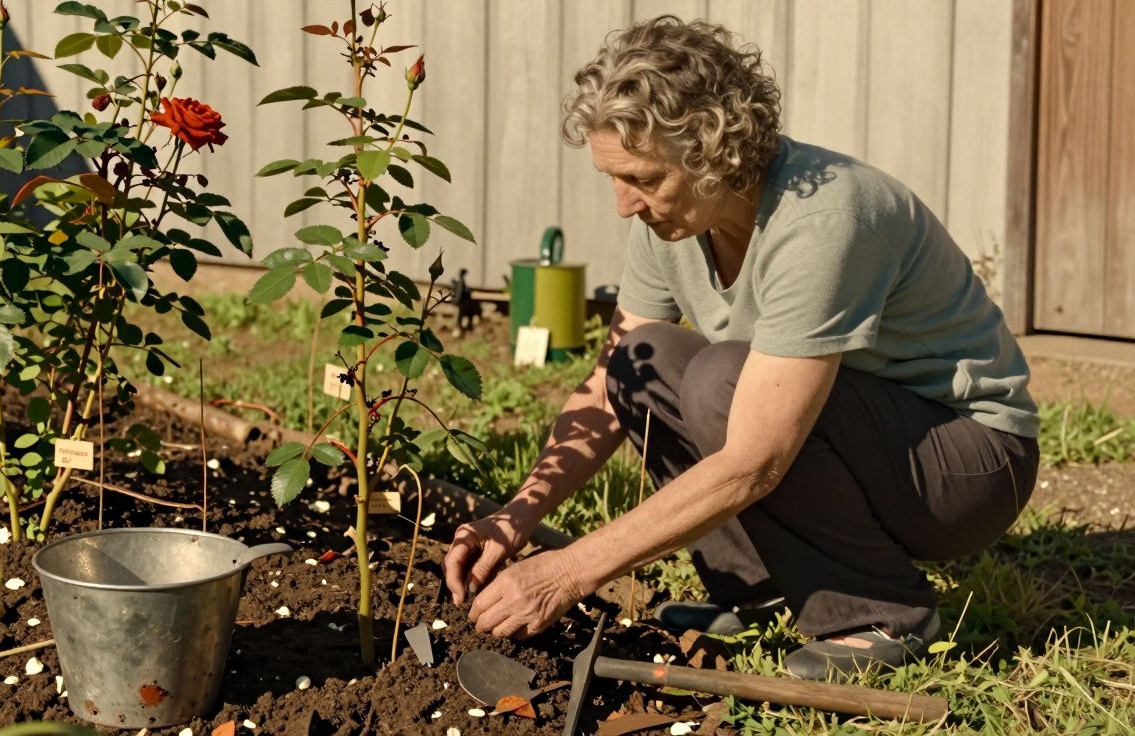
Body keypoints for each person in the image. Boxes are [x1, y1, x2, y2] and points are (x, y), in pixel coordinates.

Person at [442, 15, 1039, 681]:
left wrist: (569, 571)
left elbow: (756, 460)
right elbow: (610, 382)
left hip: (967, 465)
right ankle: (761, 589)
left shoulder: (822, 220)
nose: (622, 205)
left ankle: (879, 615)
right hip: (872, 439)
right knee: (641, 366)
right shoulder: (672, 223)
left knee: (721, 380)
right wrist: (514, 517)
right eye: (613, 177)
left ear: (711, 152)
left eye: (640, 178)